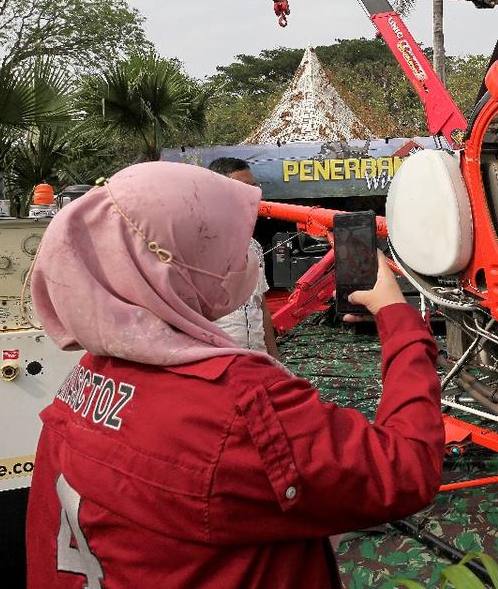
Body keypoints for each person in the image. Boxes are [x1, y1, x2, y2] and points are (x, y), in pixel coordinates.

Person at [25, 162, 443, 588]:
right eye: (219, 244)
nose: (242, 257)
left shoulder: (85, 378)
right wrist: (396, 315)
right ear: (171, 263)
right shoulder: (238, 405)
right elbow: (406, 467)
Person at [207, 156, 279, 356]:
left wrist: (276, 363)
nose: (253, 196)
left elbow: (261, 307)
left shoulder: (254, 246)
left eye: (254, 188)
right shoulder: (197, 247)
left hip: (257, 359)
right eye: (243, 189)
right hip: (219, 364)